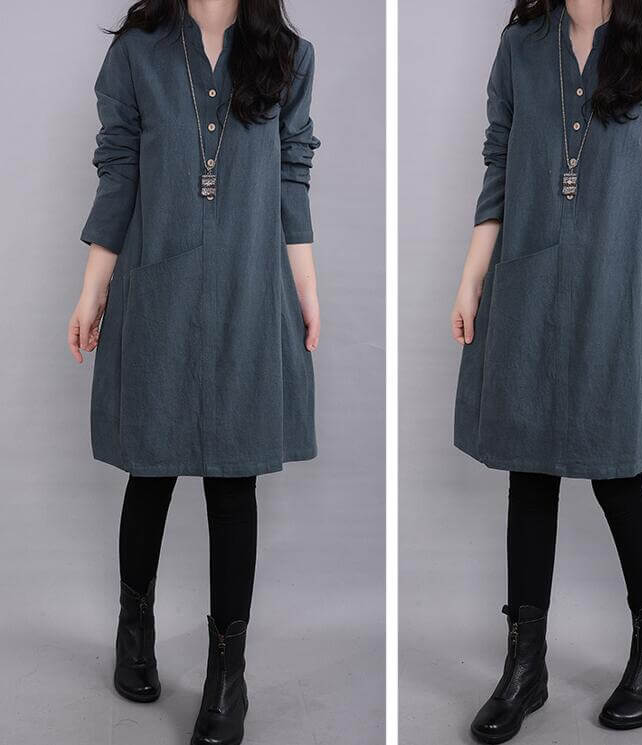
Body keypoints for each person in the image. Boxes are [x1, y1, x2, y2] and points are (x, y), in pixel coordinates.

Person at [450, 0, 642, 741]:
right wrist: (471, 277)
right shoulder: (521, 48)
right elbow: (500, 162)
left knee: (616, 474)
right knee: (529, 474)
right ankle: (524, 667)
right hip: (528, 284)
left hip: (618, 288)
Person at [67, 1, 320, 743]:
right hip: (158, 290)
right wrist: (92, 290)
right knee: (151, 471)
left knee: (234, 480)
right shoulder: (139, 53)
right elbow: (119, 171)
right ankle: (134, 627)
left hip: (249, 290)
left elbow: (292, 175)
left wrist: (306, 291)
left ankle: (226, 675)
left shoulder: (288, 56)